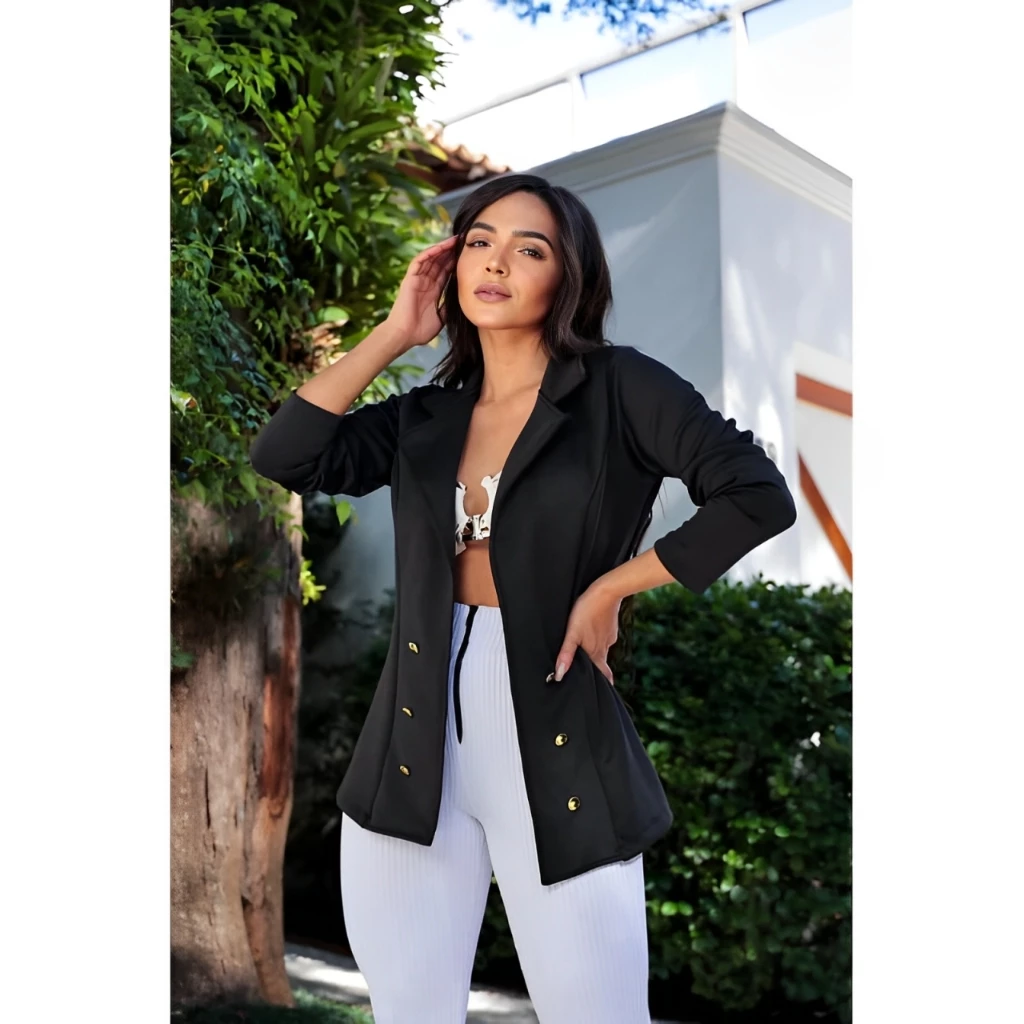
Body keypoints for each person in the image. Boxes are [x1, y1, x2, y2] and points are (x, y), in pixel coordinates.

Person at [249, 173, 797, 1023]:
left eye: (529, 249)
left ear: (567, 277)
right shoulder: (425, 418)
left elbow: (757, 494)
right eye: (480, 241)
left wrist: (614, 585)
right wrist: (394, 334)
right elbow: (285, 455)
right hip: (409, 749)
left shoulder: (620, 389)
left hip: (559, 737)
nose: (497, 262)